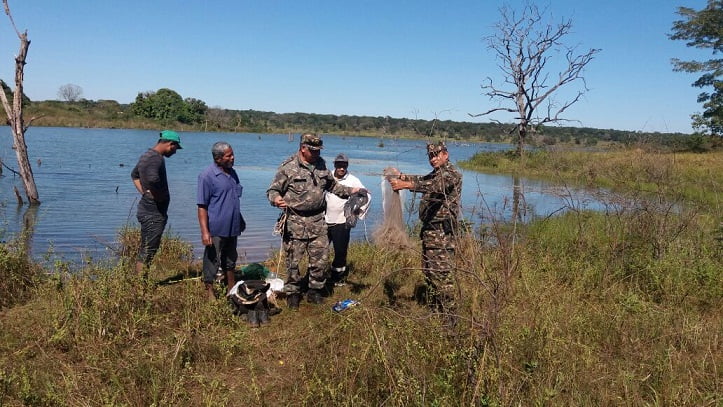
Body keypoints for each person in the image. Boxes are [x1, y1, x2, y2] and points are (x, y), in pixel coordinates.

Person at [267, 133, 363, 309]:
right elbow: (272, 190)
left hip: (318, 220)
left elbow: (332, 186)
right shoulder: (287, 167)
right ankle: (293, 293)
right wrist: (276, 199)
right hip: (295, 221)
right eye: (313, 150)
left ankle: (314, 291)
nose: (316, 154)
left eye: (318, 150)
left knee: (320, 259)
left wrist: (352, 190)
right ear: (303, 148)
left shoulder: (321, 165)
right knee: (293, 261)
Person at [388, 141, 462, 323]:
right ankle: (437, 309)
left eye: (437, 154)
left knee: (442, 275)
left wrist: (404, 185)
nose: (433, 159)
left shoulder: (451, 174)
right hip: (430, 233)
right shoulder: (437, 173)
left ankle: (450, 318)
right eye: (430, 156)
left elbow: (433, 187)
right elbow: (424, 180)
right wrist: (402, 176)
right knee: (429, 272)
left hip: (442, 235)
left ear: (446, 154)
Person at [131, 130, 182, 277]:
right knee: (148, 250)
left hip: (147, 209)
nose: (175, 152)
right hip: (153, 213)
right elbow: (153, 180)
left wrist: (144, 192)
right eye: (175, 148)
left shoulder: (146, 155)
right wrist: (157, 196)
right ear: (170, 144)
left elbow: (134, 175)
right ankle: (140, 284)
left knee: (147, 247)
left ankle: (141, 281)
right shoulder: (156, 159)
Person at [197, 141, 244, 299]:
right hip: (216, 227)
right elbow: (202, 206)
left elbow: (233, 199)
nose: (233, 158)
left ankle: (231, 289)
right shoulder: (206, 176)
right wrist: (205, 232)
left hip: (233, 227)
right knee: (212, 260)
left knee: (230, 259)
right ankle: (209, 291)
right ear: (218, 158)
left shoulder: (233, 173)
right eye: (228, 155)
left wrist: (240, 220)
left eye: (233, 154)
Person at [324, 153, 370, 285]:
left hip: (342, 222)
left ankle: (337, 278)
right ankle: (318, 276)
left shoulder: (354, 180)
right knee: (320, 250)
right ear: (335, 165)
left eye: (344, 166)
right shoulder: (327, 177)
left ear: (347, 166)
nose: (342, 168)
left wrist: (357, 212)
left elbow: (367, 196)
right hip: (323, 221)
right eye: (339, 165)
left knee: (340, 251)